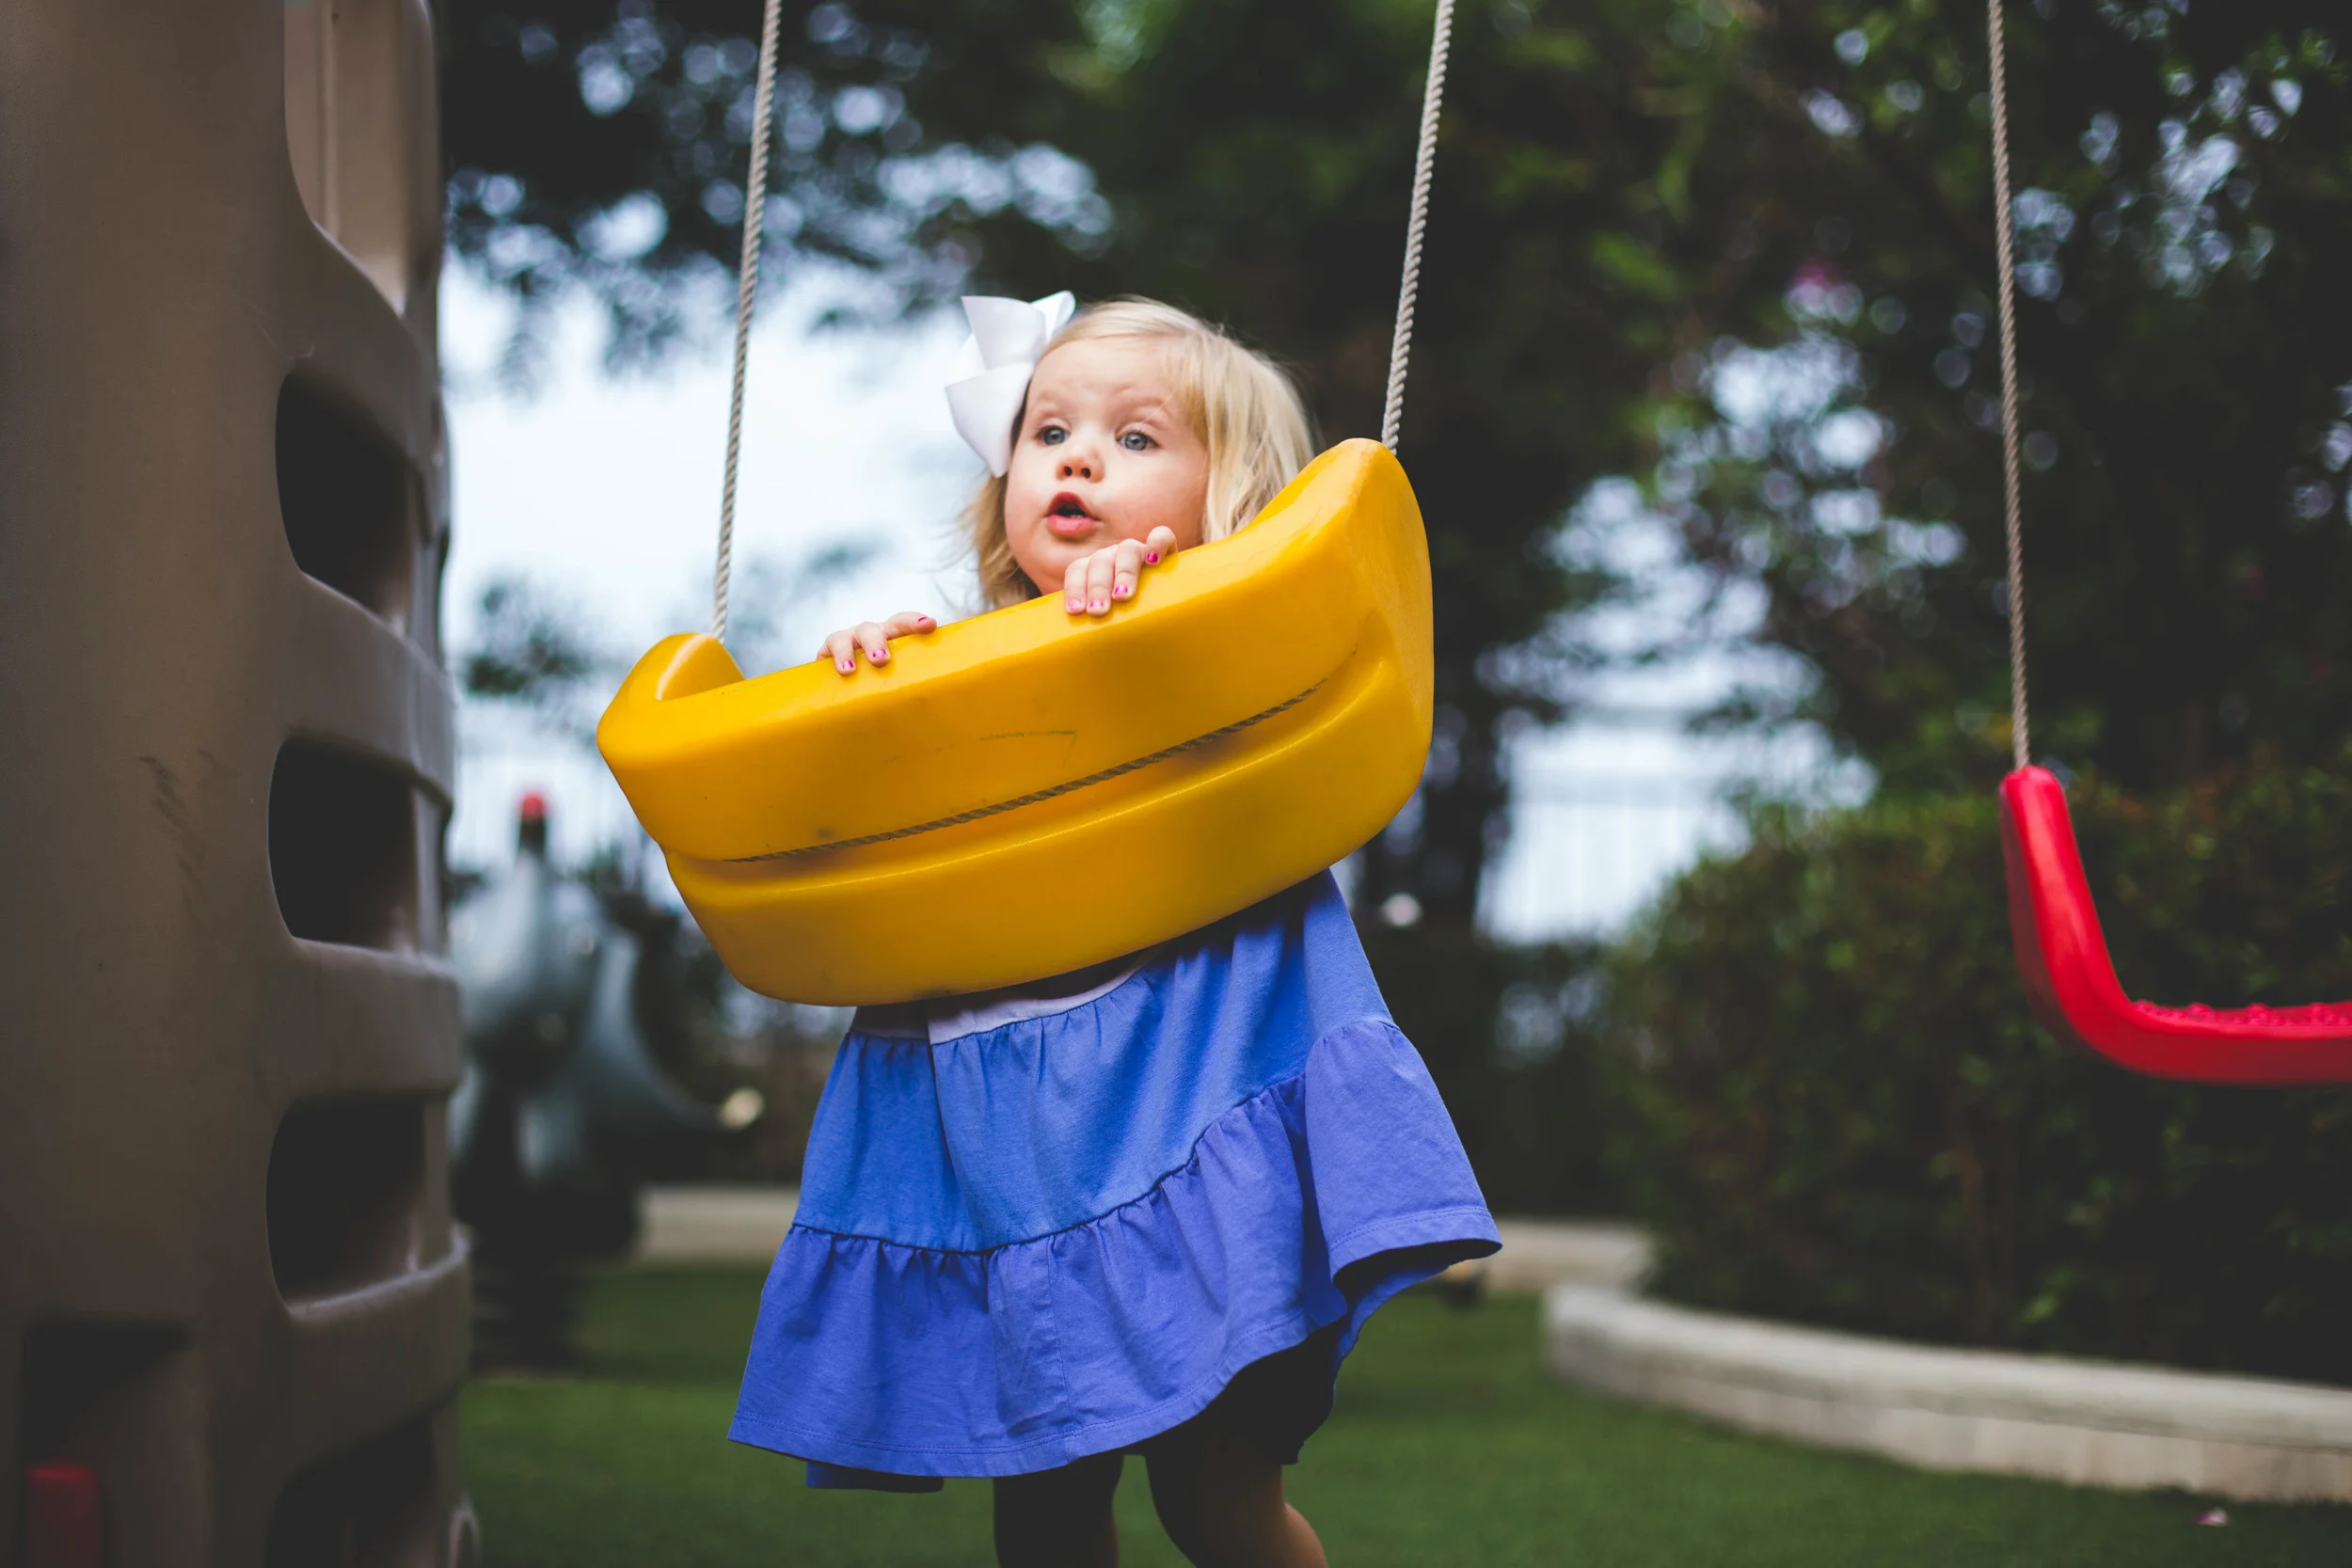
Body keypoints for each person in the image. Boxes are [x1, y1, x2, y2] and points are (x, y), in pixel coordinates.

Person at [730, 293, 1498, 1568]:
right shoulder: (958, 664)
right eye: (1049, 432)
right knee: (1041, 1503)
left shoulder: (1238, 660)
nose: (1078, 460)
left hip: (1192, 1090)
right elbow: (853, 821)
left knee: (1218, 1503)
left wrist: (1158, 623)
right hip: (1012, 1141)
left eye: (1136, 439)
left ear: (1229, 500)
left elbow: (1260, 730)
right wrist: (865, 680)